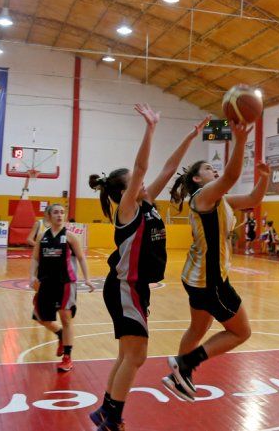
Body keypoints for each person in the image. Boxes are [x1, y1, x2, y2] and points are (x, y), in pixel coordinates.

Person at [87, 105, 205, 431]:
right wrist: (150, 128)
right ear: (126, 190)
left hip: (132, 288)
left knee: (127, 355)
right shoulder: (127, 209)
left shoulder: (146, 202)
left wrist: (190, 137)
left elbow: (169, 168)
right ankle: (112, 419)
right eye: (136, 182)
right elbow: (142, 167)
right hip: (125, 287)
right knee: (136, 357)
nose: (143, 184)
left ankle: (105, 410)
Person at [162, 122, 270, 403]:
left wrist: (264, 178)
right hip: (210, 281)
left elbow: (254, 198)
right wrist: (240, 139)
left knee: (197, 329)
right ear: (198, 179)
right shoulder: (203, 197)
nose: (215, 171)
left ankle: (179, 376)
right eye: (209, 169)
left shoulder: (221, 199)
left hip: (197, 277)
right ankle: (186, 364)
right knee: (241, 332)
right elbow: (232, 175)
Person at [29, 203, 94, 373]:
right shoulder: (42, 236)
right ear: (49, 216)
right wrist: (32, 276)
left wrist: (87, 279)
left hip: (65, 283)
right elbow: (35, 258)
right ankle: (59, 334)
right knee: (40, 317)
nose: (59, 215)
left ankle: (67, 357)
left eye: (62, 212)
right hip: (45, 283)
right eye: (56, 212)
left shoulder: (70, 236)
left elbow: (81, 258)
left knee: (66, 318)